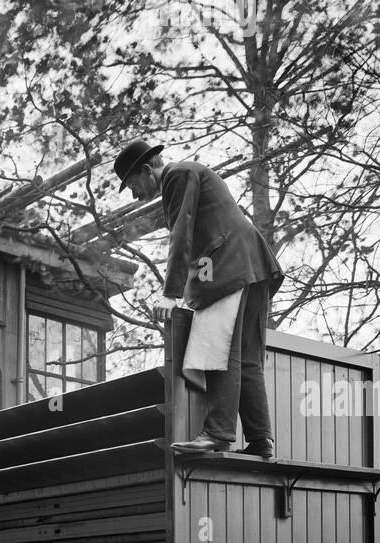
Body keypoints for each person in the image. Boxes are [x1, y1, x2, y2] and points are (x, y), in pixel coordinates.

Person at [115, 139, 284, 458]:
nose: (135, 194)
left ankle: (218, 433)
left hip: (231, 263)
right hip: (253, 266)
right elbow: (196, 247)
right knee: (247, 358)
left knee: (215, 345)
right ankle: (261, 439)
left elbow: (182, 234)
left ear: (147, 170)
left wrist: (171, 294)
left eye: (132, 184)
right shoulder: (188, 175)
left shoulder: (177, 176)